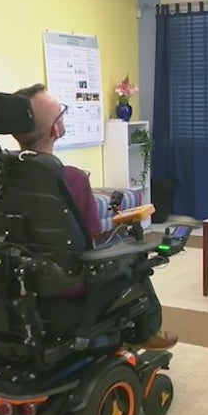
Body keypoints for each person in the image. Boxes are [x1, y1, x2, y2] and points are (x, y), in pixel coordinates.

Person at [12, 83, 177, 351]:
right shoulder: (71, 179)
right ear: (55, 130)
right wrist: (122, 230)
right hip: (67, 281)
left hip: (17, 274)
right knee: (134, 252)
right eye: (61, 113)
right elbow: (89, 241)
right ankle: (148, 330)